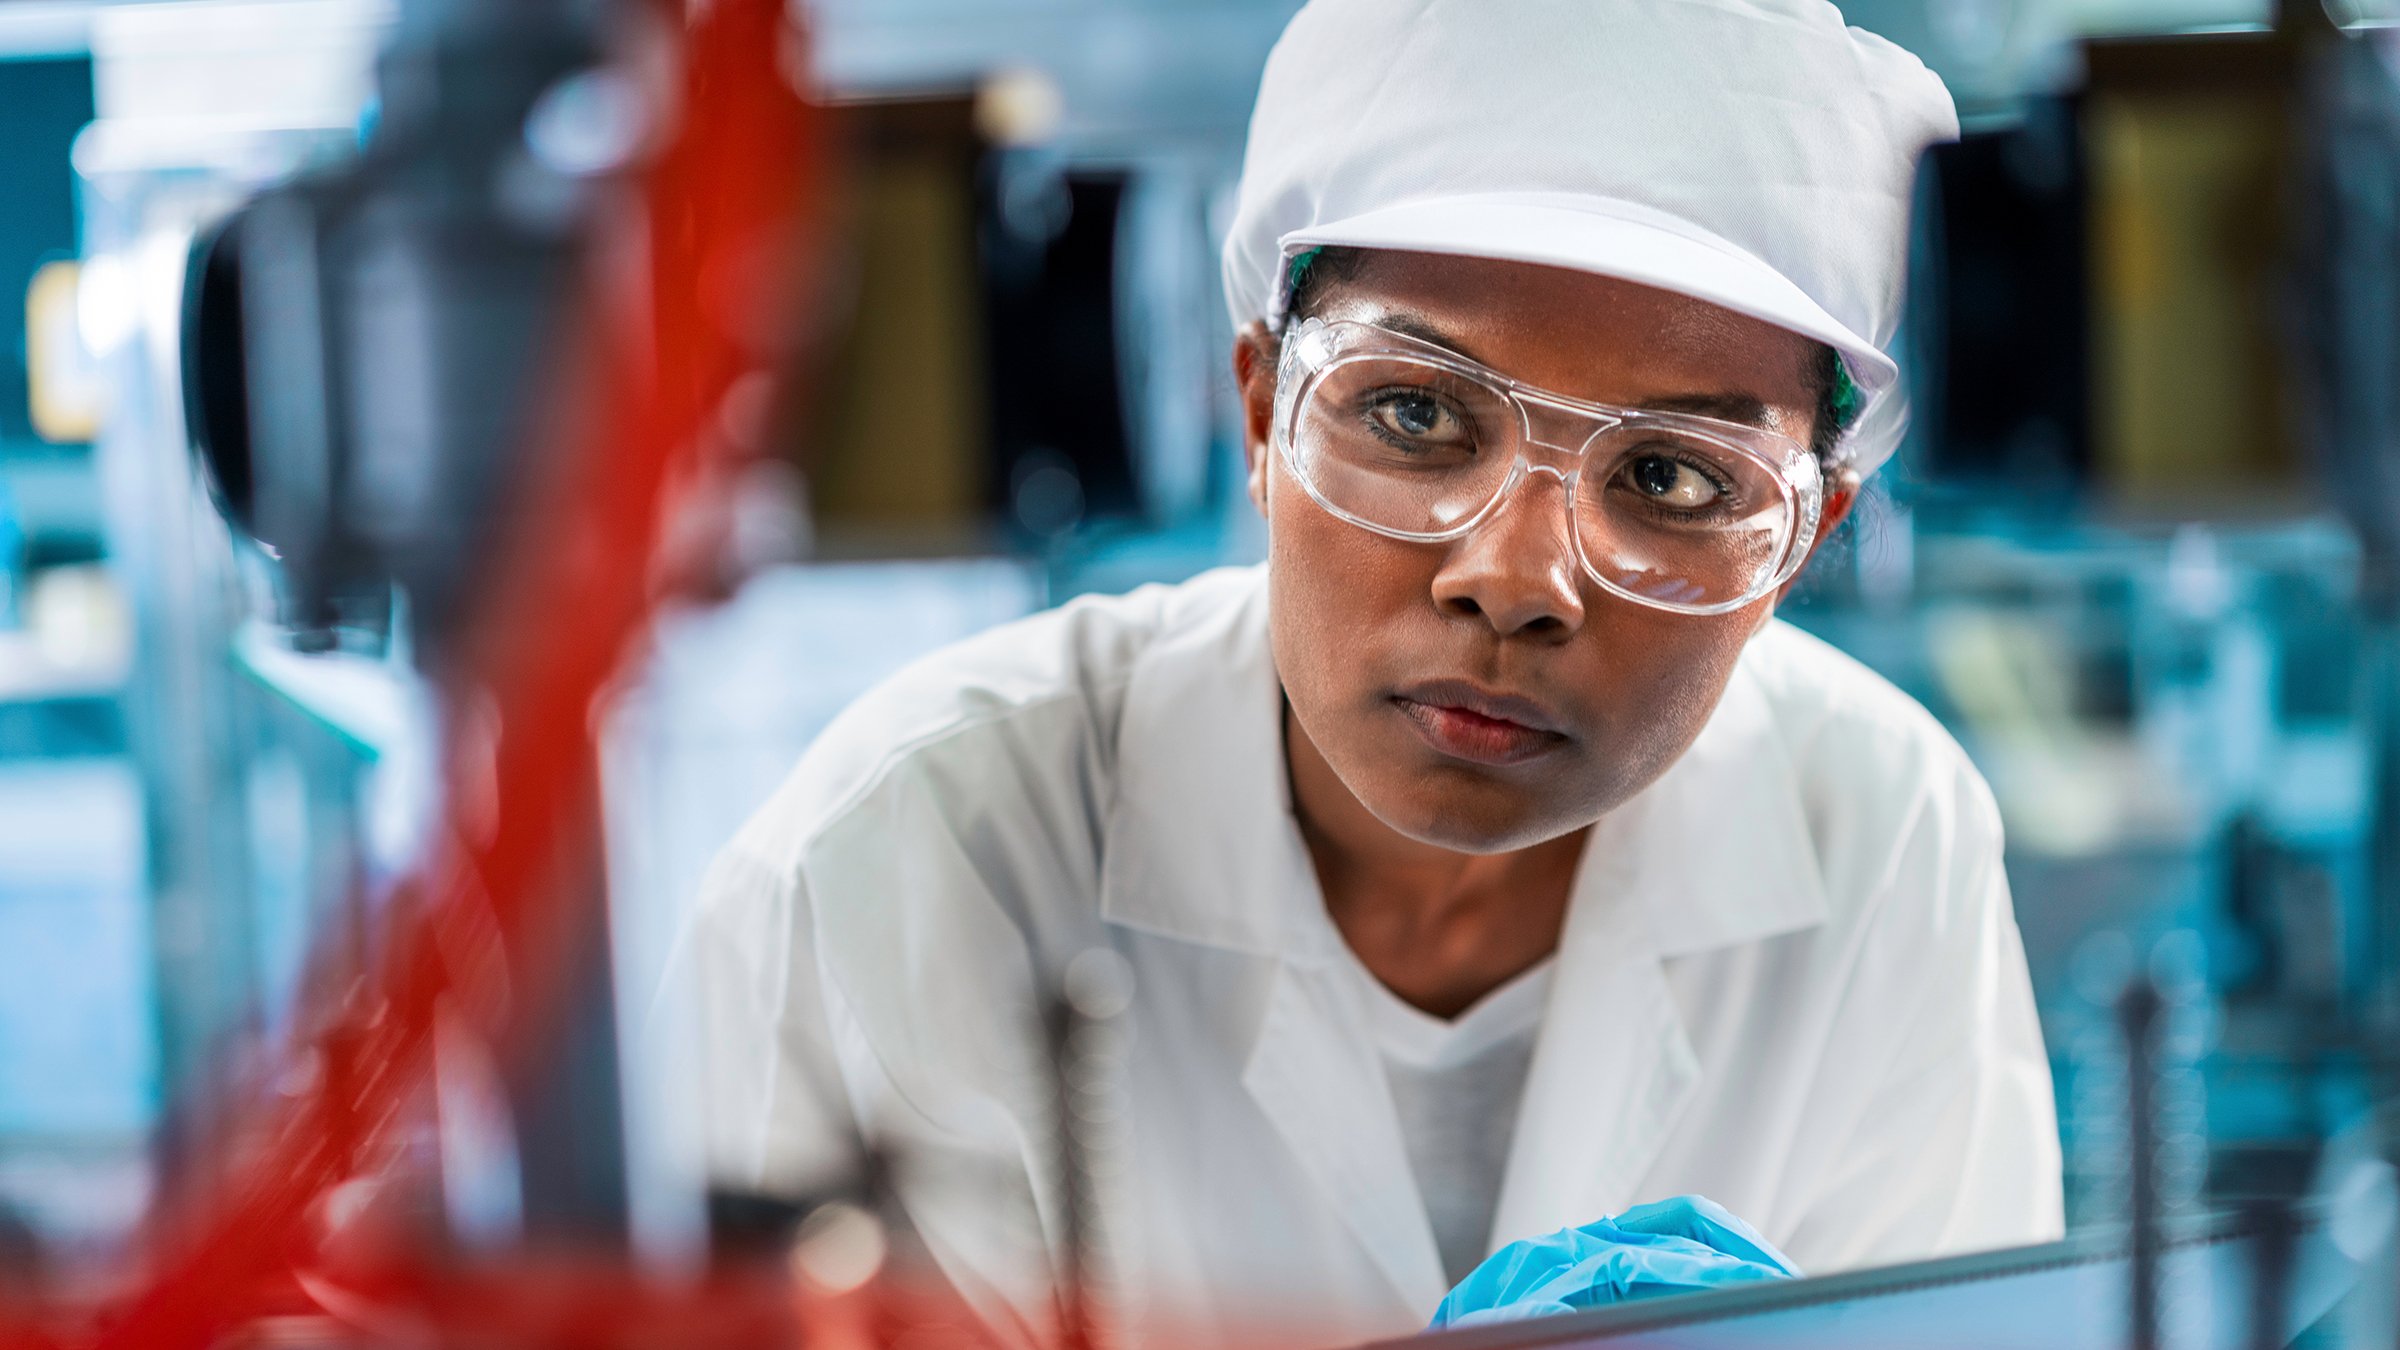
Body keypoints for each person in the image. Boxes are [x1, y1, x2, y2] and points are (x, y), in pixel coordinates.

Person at [688, 0, 2064, 1343]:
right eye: (1414, 411)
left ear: (1801, 543)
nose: (1517, 580)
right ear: (1260, 412)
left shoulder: (1886, 832)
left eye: (1670, 476)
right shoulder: (897, 857)